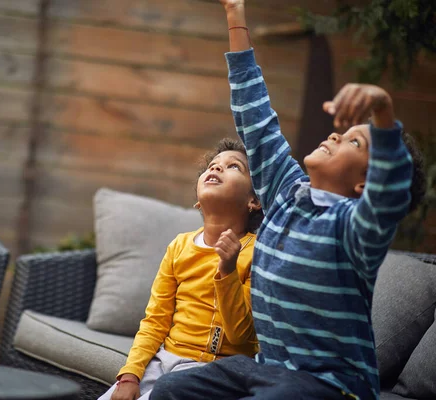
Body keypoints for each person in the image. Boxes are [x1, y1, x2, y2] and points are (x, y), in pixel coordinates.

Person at [149, 1, 427, 399]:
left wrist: (382, 112)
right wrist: (234, 13)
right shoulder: (286, 191)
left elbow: (393, 192)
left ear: (369, 183)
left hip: (331, 386)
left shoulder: (356, 229)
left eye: (354, 141)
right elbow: (255, 113)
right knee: (172, 389)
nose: (335, 135)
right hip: (267, 369)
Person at [98, 137, 264, 400]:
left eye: (234, 167)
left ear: (253, 200)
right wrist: (131, 374)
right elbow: (155, 321)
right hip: (163, 360)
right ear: (198, 200)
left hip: (211, 371)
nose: (216, 168)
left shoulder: (258, 252)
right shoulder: (179, 246)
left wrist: (228, 269)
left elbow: (243, 337)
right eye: (212, 165)